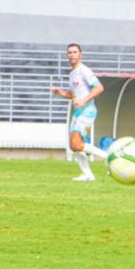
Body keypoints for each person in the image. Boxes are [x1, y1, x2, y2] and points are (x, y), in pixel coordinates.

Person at [51, 43, 107, 181]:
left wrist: (84, 100)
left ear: (80, 54)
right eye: (70, 52)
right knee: (73, 145)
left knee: (76, 144)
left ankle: (108, 157)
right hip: (78, 112)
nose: (72, 54)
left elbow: (99, 88)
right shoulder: (72, 73)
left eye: (75, 52)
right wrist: (60, 92)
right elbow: (74, 94)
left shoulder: (84, 70)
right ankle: (87, 174)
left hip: (87, 111)